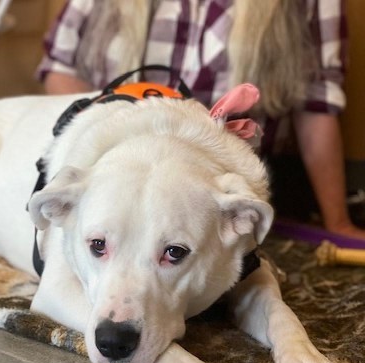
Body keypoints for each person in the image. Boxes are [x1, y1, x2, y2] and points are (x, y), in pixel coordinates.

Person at [37, 0, 365, 242]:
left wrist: (337, 223)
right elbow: (61, 69)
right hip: (112, 168)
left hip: (219, 184)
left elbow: (317, 108)